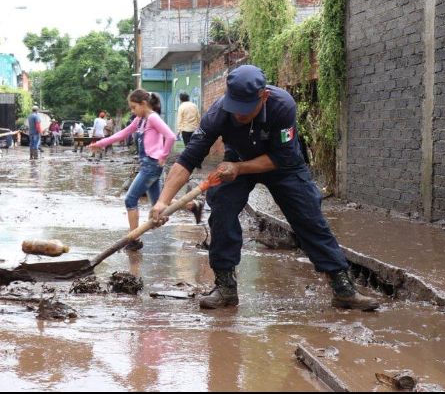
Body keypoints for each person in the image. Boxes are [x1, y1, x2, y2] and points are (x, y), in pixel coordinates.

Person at [149, 65, 379, 311]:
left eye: (245, 110)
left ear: (264, 96)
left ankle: (343, 289)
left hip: (282, 165)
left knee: (309, 217)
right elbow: (188, 158)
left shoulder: (282, 105)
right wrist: (163, 201)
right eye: (234, 108)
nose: (238, 115)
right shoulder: (218, 113)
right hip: (236, 158)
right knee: (222, 211)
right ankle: (226, 287)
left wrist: (239, 168)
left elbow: (281, 158)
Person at [89, 90, 202, 251]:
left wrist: (163, 155)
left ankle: (134, 239)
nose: (132, 111)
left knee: (130, 199)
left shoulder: (153, 118)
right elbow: (122, 134)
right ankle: (192, 205)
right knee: (158, 202)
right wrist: (100, 143)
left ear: (143, 104)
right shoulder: (139, 120)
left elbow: (170, 136)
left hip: (151, 165)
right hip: (147, 164)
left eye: (134, 107)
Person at [176, 92, 202, 169]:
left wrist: (178, 131)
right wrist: (198, 127)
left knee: (188, 147)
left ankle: (190, 164)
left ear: (181, 99)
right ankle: (198, 164)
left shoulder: (181, 107)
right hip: (195, 130)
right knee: (196, 146)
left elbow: (179, 119)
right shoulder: (194, 105)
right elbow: (198, 117)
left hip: (186, 130)